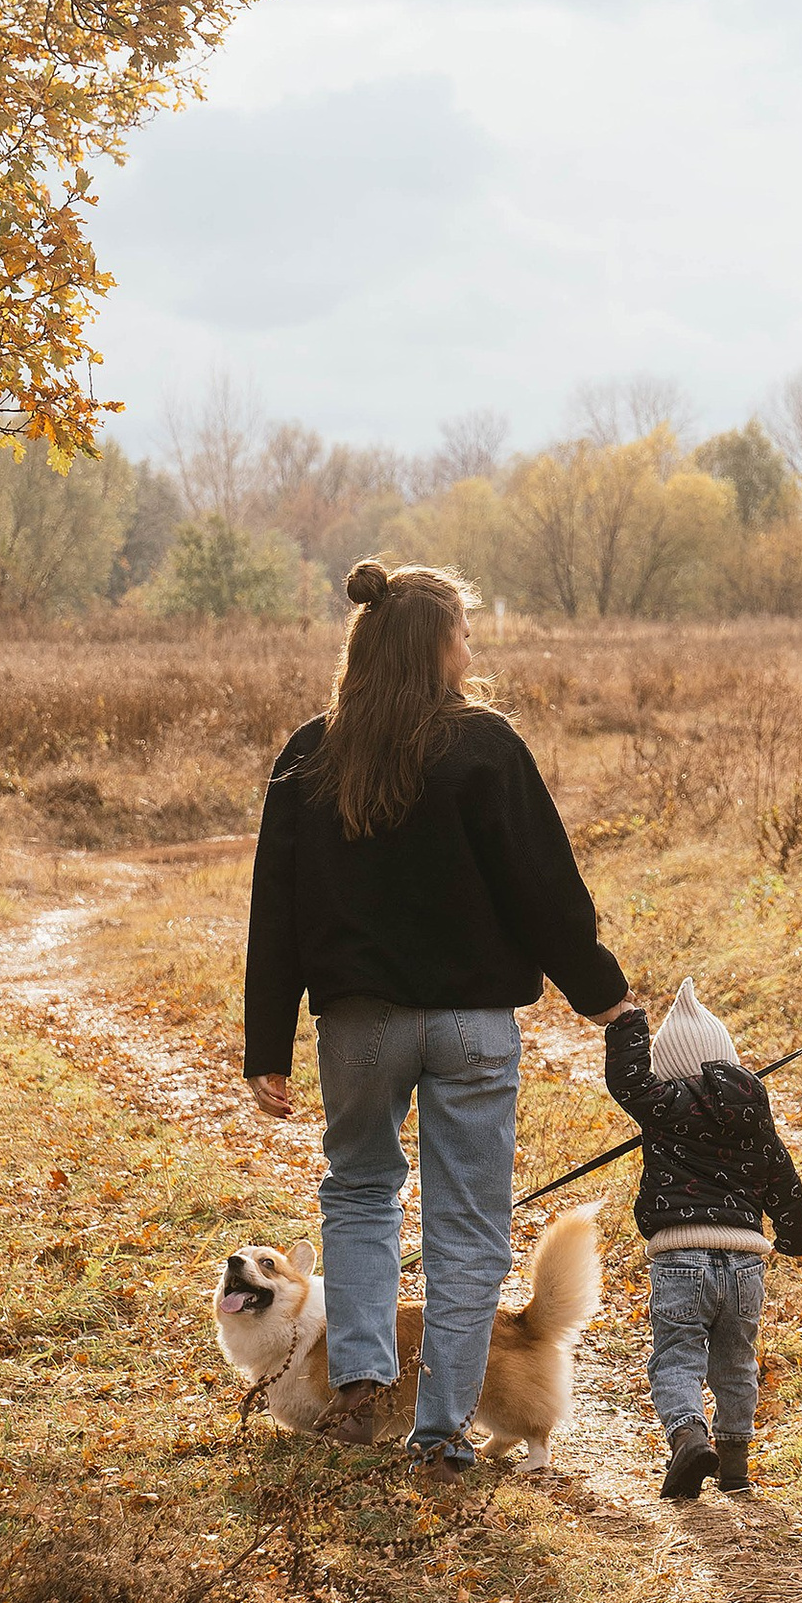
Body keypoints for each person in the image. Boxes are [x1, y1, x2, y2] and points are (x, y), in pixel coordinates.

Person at [241, 560, 634, 1472]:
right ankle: (443, 1430)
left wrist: (268, 1041)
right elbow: (545, 891)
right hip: (472, 1028)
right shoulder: (486, 745)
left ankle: (366, 1385)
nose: (472, 648)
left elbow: (277, 905)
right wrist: (605, 995)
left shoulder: (312, 751)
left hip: (359, 1027)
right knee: (467, 1227)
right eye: (464, 632)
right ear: (438, 646)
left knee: (362, 1192)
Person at [603, 975, 802, 1501]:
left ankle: (688, 1438)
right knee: (736, 1362)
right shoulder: (754, 1117)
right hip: (745, 1263)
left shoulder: (663, 1105)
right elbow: (782, 1180)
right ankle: (736, 1466)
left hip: (680, 1256)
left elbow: (627, 1082)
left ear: (669, 1068)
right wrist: (795, 1235)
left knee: (675, 1357)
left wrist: (627, 1022)